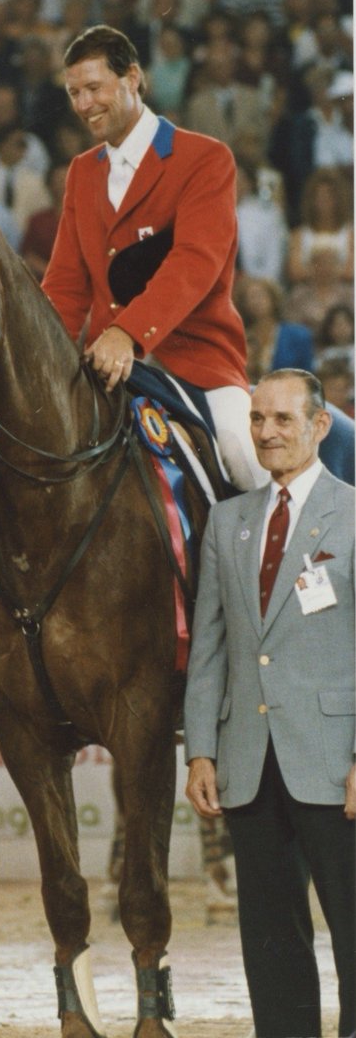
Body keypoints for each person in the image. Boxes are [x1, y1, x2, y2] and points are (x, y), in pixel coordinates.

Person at [184, 369, 355, 1038]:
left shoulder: (353, 512)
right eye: (258, 419)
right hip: (248, 763)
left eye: (284, 419)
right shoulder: (228, 522)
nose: (267, 432)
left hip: (334, 764)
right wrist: (201, 749)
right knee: (271, 938)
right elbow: (210, 646)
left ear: (319, 426)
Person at [41, 24, 264, 491]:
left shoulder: (205, 158)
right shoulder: (82, 173)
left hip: (198, 360)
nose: (83, 105)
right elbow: (65, 285)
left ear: (133, 78)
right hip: (106, 371)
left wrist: (127, 332)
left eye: (94, 88)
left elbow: (195, 262)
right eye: (74, 92)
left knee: (247, 456)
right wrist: (40, 365)